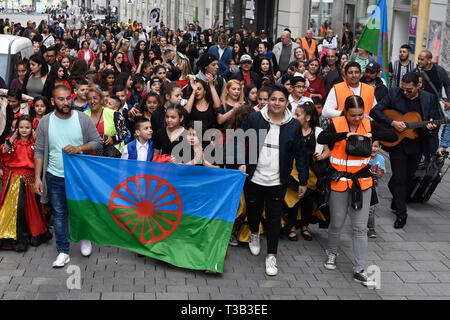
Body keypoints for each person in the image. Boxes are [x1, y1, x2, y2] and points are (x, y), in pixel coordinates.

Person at [318, 95, 396, 285]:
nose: (357, 118)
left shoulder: (368, 124)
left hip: (362, 183)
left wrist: (372, 135)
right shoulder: (336, 123)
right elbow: (322, 137)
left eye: (360, 114)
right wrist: (345, 136)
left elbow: (392, 136)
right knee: (336, 223)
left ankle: (360, 269)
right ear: (346, 112)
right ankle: (332, 252)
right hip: (339, 182)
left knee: (360, 227)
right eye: (353, 115)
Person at [237, 85, 309, 276]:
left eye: (281, 100)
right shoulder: (255, 118)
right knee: (253, 212)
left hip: (278, 181)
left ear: (287, 103)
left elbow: (300, 154)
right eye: (273, 99)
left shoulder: (293, 126)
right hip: (254, 177)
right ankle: (254, 234)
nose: (276, 103)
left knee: (274, 218)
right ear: (268, 100)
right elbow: (238, 138)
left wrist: (303, 179)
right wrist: (241, 163)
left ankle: (271, 256)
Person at [34, 85, 102, 268]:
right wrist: (38, 178)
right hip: (54, 176)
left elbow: (97, 142)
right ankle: (63, 251)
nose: (65, 102)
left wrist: (78, 148)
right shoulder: (45, 122)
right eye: (61, 99)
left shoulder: (82, 119)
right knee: (59, 214)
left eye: (67, 98)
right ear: (53, 100)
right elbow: (39, 151)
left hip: (79, 176)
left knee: (82, 210)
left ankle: (85, 238)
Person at [370, 72, 440, 229]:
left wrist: (431, 127)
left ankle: (396, 197)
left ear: (418, 86)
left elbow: (435, 118)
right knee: (400, 178)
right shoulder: (394, 93)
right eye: (403, 89)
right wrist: (393, 122)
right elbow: (375, 111)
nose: (405, 92)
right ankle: (402, 213)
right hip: (398, 143)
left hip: (417, 144)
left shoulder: (429, 98)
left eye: (409, 90)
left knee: (408, 178)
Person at [0, 115, 52, 252]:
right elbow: (4, 152)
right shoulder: (12, 142)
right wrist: (11, 138)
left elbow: (41, 156)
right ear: (17, 129)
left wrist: (36, 140)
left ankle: (30, 234)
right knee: (16, 209)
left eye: (27, 127)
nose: (24, 130)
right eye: (21, 127)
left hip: (30, 180)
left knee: (30, 210)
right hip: (14, 181)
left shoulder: (35, 144)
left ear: (32, 129)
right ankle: (14, 236)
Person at [286, 102, 329, 241]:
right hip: (293, 170)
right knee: (293, 199)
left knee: (308, 201)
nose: (295, 117)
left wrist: (322, 156)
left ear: (308, 117)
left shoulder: (318, 132)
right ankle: (291, 226)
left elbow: (328, 149)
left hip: (312, 172)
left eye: (298, 115)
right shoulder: (291, 129)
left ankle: (305, 226)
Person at [367, 140, 385, 239]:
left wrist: (375, 173)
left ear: (380, 148)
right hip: (361, 187)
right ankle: (359, 226)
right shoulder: (364, 157)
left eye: (376, 146)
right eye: (371, 146)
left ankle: (371, 228)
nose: (373, 148)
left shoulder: (381, 159)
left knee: (371, 209)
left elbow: (380, 175)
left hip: (374, 188)